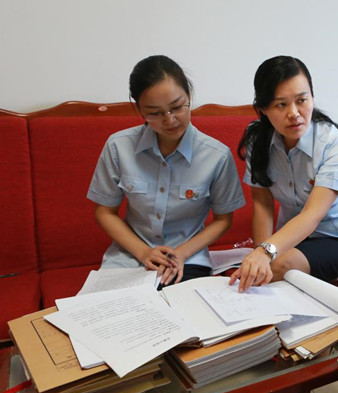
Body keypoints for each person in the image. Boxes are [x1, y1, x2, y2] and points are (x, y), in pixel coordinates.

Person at [87, 55, 245, 287]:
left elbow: (223, 220)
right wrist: (143, 252)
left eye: (177, 107)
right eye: (155, 113)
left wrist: (181, 253)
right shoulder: (118, 146)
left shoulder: (216, 155)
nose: (170, 120)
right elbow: (104, 212)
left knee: (184, 307)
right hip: (129, 257)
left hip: (187, 259)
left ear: (189, 97)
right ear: (140, 109)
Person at [229, 55, 338, 292]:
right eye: (281, 105)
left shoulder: (334, 143)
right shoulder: (258, 141)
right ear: (263, 109)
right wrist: (259, 253)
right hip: (293, 237)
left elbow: (311, 216)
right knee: (261, 269)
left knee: (279, 265)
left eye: (302, 100)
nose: (294, 113)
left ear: (312, 97)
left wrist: (265, 252)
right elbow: (262, 206)